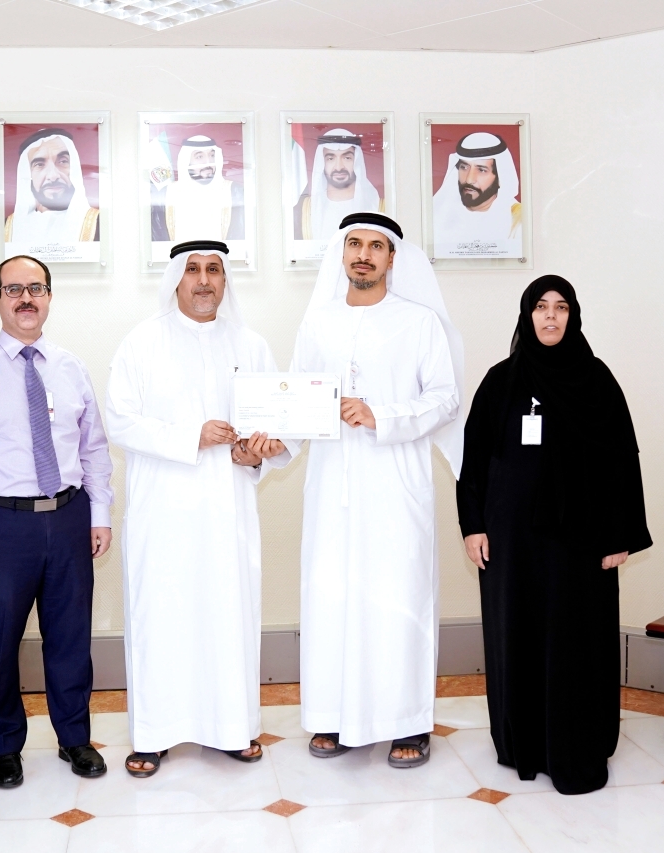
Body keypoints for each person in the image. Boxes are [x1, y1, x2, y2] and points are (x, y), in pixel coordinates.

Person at [457, 275, 652, 795]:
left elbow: (623, 462)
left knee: (576, 640)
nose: (550, 316)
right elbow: (473, 459)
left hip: (580, 543)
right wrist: (473, 526)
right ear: (527, 315)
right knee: (518, 635)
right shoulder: (500, 381)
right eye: (541, 307)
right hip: (511, 543)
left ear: (573, 316)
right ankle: (519, 740)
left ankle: (578, 739)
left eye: (561, 307)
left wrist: (619, 535)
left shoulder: (597, 380)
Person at [105, 239, 289, 777]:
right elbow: (120, 421)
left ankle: (232, 729)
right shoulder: (142, 342)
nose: (204, 280)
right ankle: (153, 735)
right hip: (163, 514)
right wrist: (194, 435)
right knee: (161, 618)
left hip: (228, 511)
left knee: (228, 616)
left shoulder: (250, 345)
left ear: (225, 280)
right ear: (176, 280)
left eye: (213, 269)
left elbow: (279, 423)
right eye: (192, 270)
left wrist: (258, 452)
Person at [291, 212, 463, 769]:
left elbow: (444, 398)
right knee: (332, 597)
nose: (363, 254)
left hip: (396, 486)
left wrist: (379, 415)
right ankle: (334, 717)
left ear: (392, 258)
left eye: (375, 246)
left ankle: (407, 722)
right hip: (330, 489)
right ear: (342, 253)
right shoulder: (318, 322)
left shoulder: (419, 322)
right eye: (354, 244)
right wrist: (264, 446)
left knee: (396, 600)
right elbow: (295, 404)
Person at [0, 255, 113, 787]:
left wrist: (99, 513)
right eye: (13, 289)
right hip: (1, 523)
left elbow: (94, 448)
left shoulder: (71, 367)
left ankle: (74, 737)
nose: (25, 299)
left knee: (70, 636)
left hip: (68, 516)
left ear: (49, 297)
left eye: (35, 288)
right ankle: (3, 744)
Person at [4, 128, 100, 249]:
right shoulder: (6, 228)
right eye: (39, 164)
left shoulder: (99, 223)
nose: (53, 176)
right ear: (28, 175)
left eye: (63, 161)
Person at [432, 132, 522, 255]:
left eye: (481, 170)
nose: (469, 179)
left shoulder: (519, 220)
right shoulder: (437, 213)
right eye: (464, 167)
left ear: (500, 177)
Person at [292, 128, 383, 240]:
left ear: (356, 162)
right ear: (322, 163)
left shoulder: (377, 205)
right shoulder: (305, 210)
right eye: (330, 158)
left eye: (347, 158)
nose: (339, 167)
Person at [163, 136, 245, 242]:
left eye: (212, 155)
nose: (208, 162)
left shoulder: (233, 191)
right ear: (186, 161)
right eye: (199, 157)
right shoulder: (169, 193)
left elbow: (239, 237)